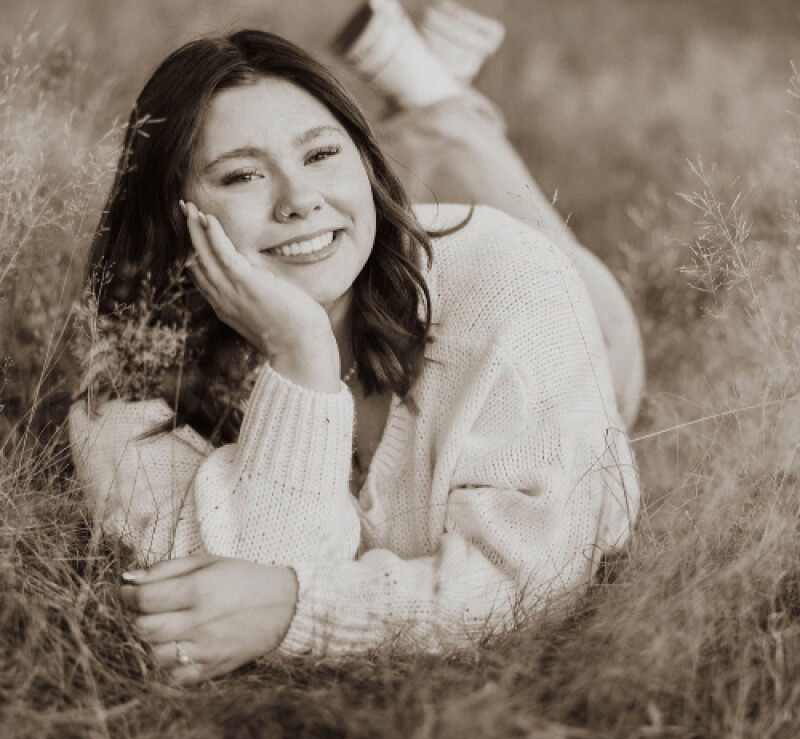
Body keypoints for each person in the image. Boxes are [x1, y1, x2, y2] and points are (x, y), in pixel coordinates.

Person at [69, 3, 641, 683]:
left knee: (542, 243)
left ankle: (437, 101)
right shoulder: (126, 392)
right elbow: (228, 591)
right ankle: (424, 102)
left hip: (560, 322)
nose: (299, 197)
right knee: (351, 223)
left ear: (364, 164)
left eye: (322, 153)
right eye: (241, 175)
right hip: (370, 251)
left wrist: (299, 611)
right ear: (173, 212)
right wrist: (301, 360)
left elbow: (534, 585)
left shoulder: (510, 283)